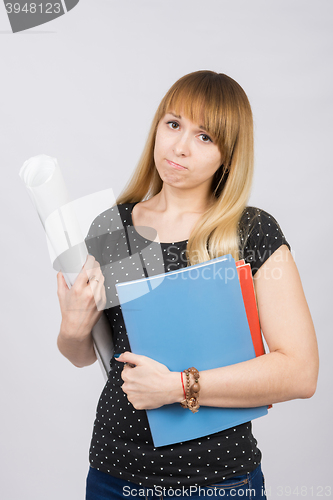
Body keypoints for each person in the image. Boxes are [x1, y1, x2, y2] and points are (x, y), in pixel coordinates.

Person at [56, 71, 319, 499]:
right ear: (157, 127)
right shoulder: (114, 224)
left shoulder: (249, 232)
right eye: (173, 124)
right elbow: (87, 355)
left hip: (218, 481)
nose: (179, 147)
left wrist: (179, 387)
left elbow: (300, 373)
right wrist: (72, 326)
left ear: (228, 156)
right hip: (113, 473)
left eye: (205, 137)